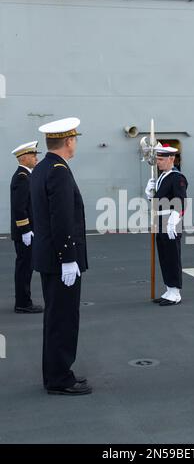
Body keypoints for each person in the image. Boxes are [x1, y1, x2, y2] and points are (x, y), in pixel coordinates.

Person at [31, 117, 91, 395]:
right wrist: (69, 258)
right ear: (68, 141)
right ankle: (59, 378)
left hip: (48, 256)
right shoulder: (58, 171)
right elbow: (62, 219)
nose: (75, 143)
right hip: (61, 260)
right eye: (74, 139)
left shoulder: (41, 168)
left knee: (55, 317)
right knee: (63, 319)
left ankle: (56, 372)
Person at [145, 143, 188, 306]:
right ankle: (169, 289)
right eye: (157, 158)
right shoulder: (162, 177)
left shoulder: (177, 177)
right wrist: (150, 194)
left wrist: (174, 220)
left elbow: (181, 200)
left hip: (171, 221)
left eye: (161, 159)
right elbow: (159, 201)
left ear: (172, 158)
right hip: (160, 220)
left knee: (172, 256)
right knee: (163, 256)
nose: (158, 161)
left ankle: (176, 292)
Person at [10, 141, 43, 314]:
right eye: (33, 156)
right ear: (23, 158)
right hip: (25, 232)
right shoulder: (22, 178)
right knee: (24, 268)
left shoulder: (26, 176)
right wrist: (25, 230)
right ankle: (23, 303)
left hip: (28, 231)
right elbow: (19, 207)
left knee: (26, 267)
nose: (36, 158)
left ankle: (24, 301)